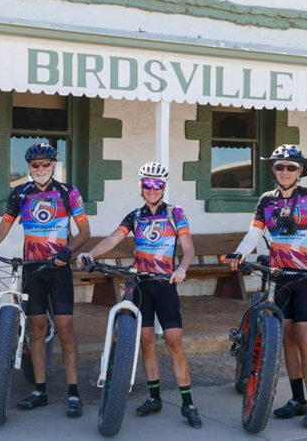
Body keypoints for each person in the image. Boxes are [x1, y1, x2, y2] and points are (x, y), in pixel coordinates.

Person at [77, 162, 202, 428]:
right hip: (140, 285)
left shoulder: (174, 213)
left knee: (174, 342)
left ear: (164, 187)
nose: (153, 190)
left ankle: (188, 403)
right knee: (146, 341)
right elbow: (112, 239)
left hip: (165, 284)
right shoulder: (135, 216)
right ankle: (155, 398)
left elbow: (188, 248)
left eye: (158, 185)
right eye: (148, 185)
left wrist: (181, 268)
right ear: (141, 187)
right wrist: (90, 253)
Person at [0, 143, 90, 418]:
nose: (40, 169)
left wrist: (68, 251)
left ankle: (74, 392)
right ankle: (40, 390)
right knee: (36, 329)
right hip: (33, 269)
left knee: (66, 330)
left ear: (54, 166)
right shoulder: (20, 193)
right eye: (34, 164)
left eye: (45, 164)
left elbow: (85, 231)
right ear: (29, 168)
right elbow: (3, 228)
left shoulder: (68, 193)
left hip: (58, 268)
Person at [226, 145, 307, 429]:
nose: (285, 171)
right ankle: (297, 400)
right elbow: (254, 234)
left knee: (306, 339)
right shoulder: (266, 201)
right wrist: (239, 253)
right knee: (287, 337)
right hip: (280, 278)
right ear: (273, 170)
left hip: (305, 279)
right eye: (279, 166)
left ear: (300, 170)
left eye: (291, 167)